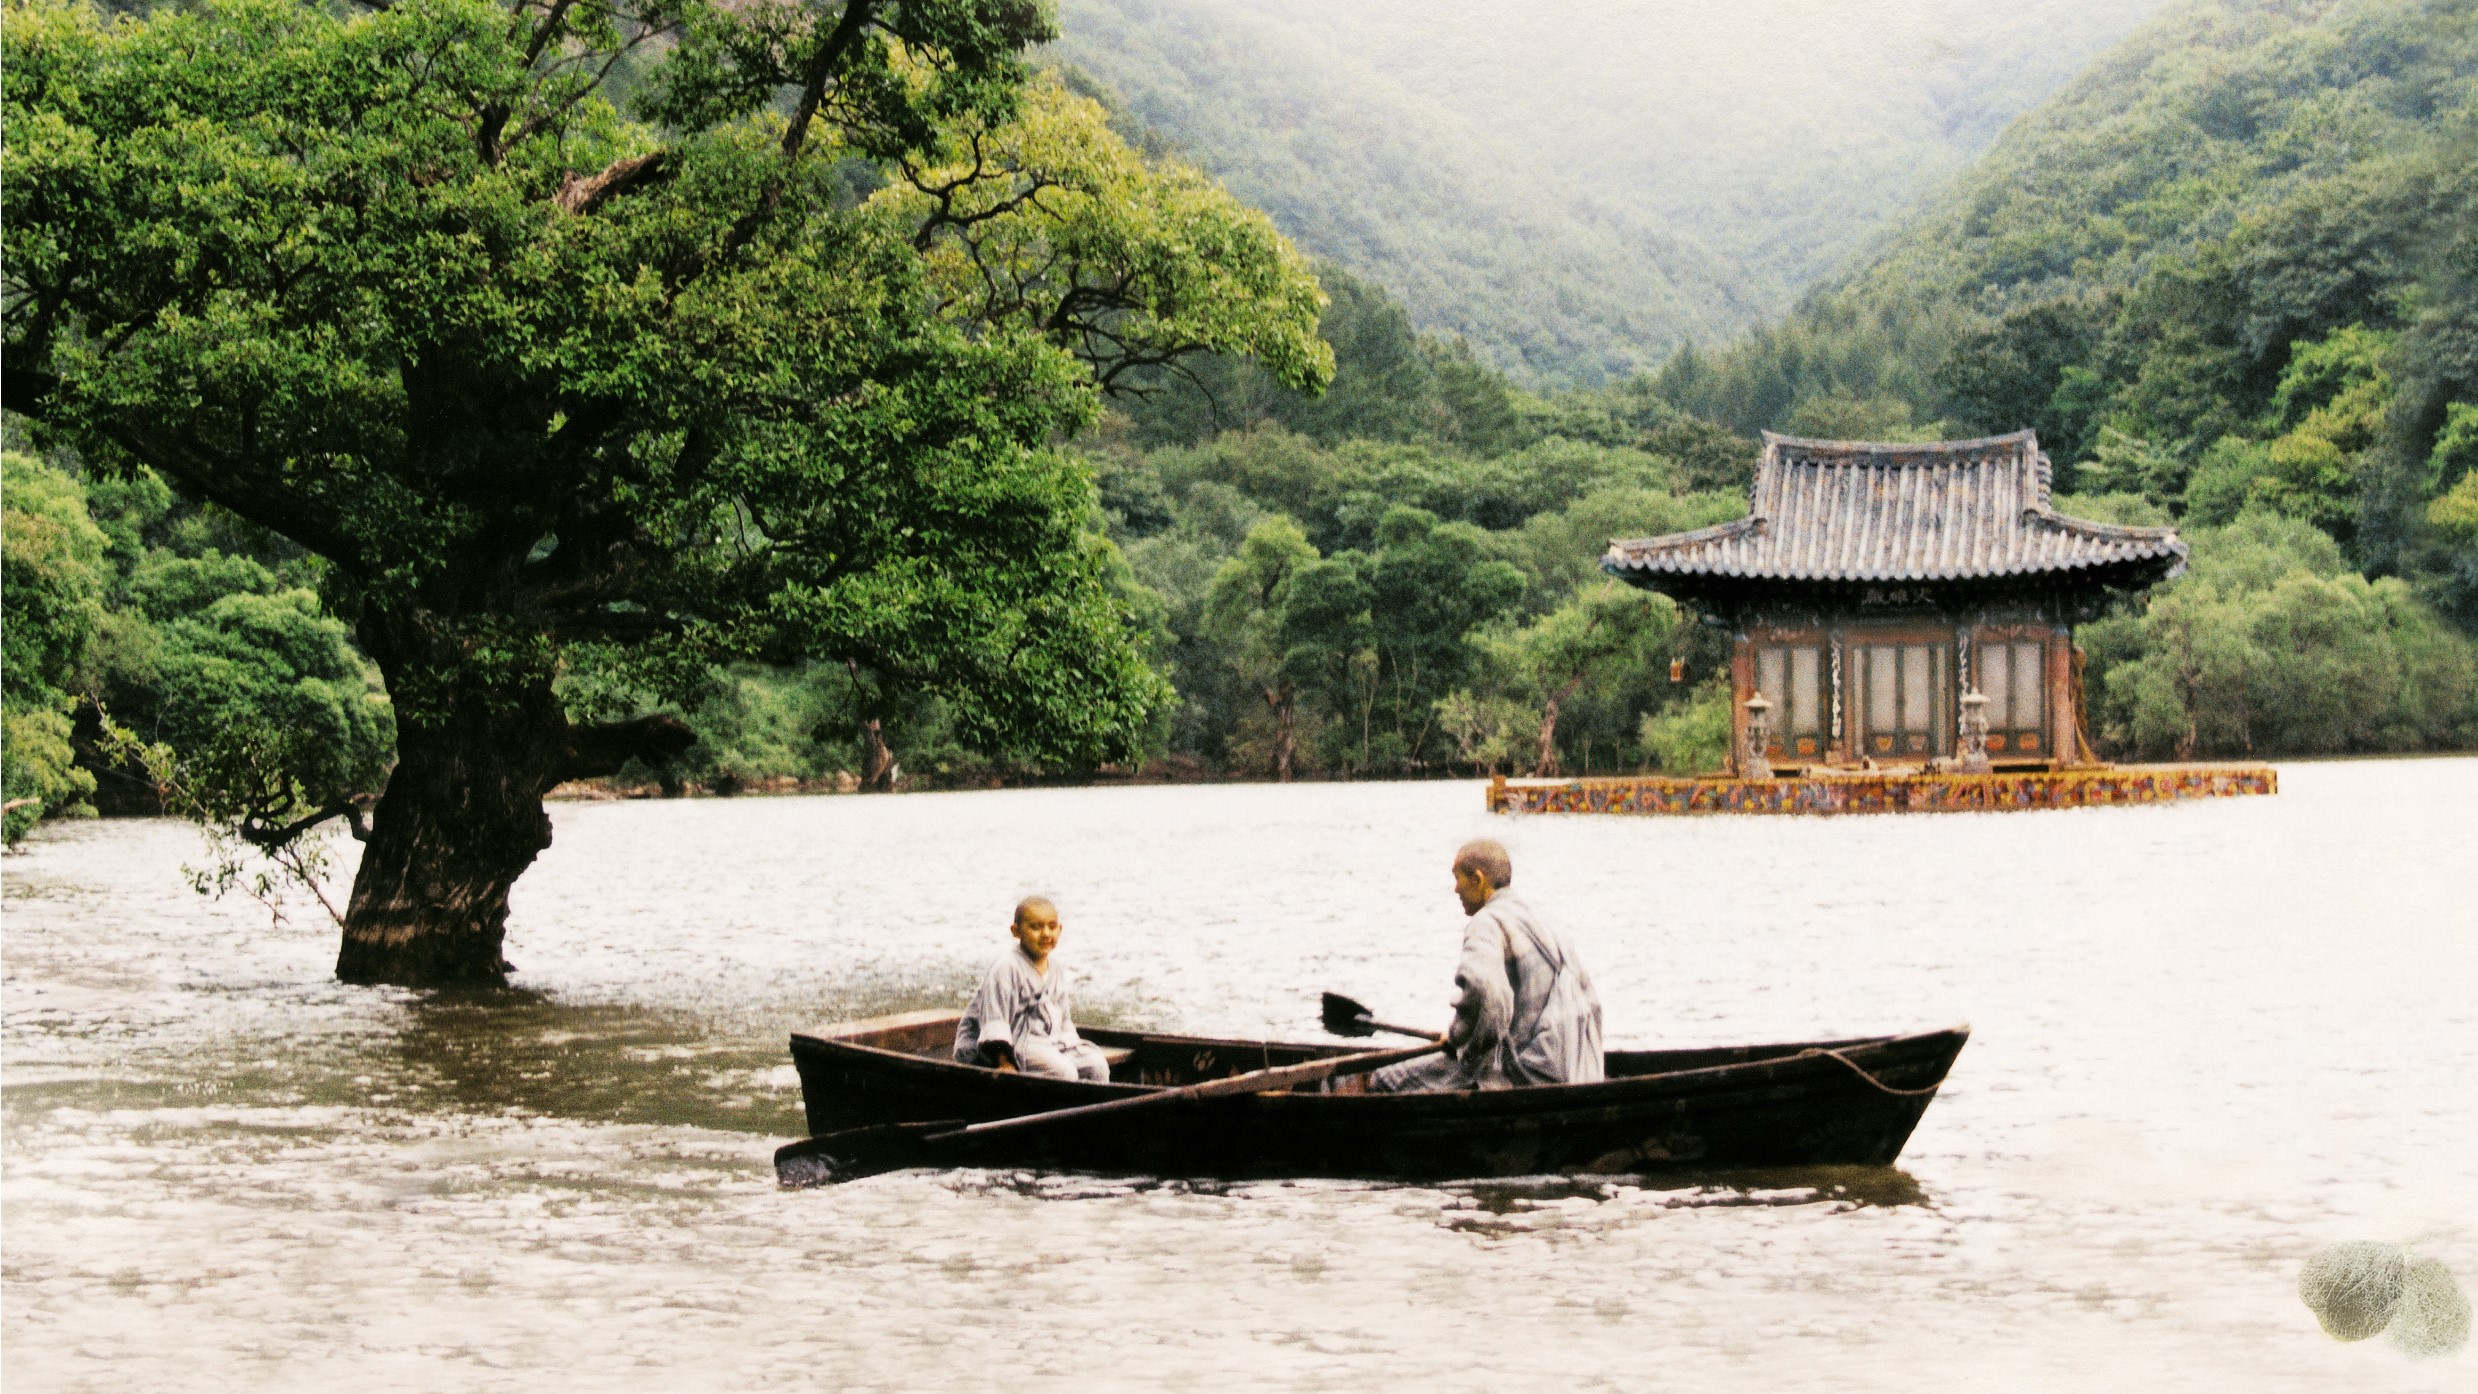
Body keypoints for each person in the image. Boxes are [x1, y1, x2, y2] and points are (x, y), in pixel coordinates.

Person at [1367, 839, 1604, 1093]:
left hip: (1525, 1073)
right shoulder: (1539, 921)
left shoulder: (1486, 923)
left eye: (1457, 879)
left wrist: (1462, 1043)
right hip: (1570, 1067)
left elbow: (1486, 995)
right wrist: (1461, 1035)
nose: (1455, 889)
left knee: (1382, 1081)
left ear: (1478, 880)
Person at [953, 896, 1113, 1082]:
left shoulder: (1056, 968)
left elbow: (1064, 1021)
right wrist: (1005, 1063)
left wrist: (1070, 1045)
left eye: (1052, 927)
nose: (1046, 934)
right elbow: (995, 1021)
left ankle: (1092, 1110)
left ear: (1060, 930)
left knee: (1096, 1066)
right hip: (1014, 1043)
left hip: (1047, 1040)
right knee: (1064, 1073)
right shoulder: (1006, 967)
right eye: (1036, 927)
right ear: (1016, 931)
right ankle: (1054, 1106)